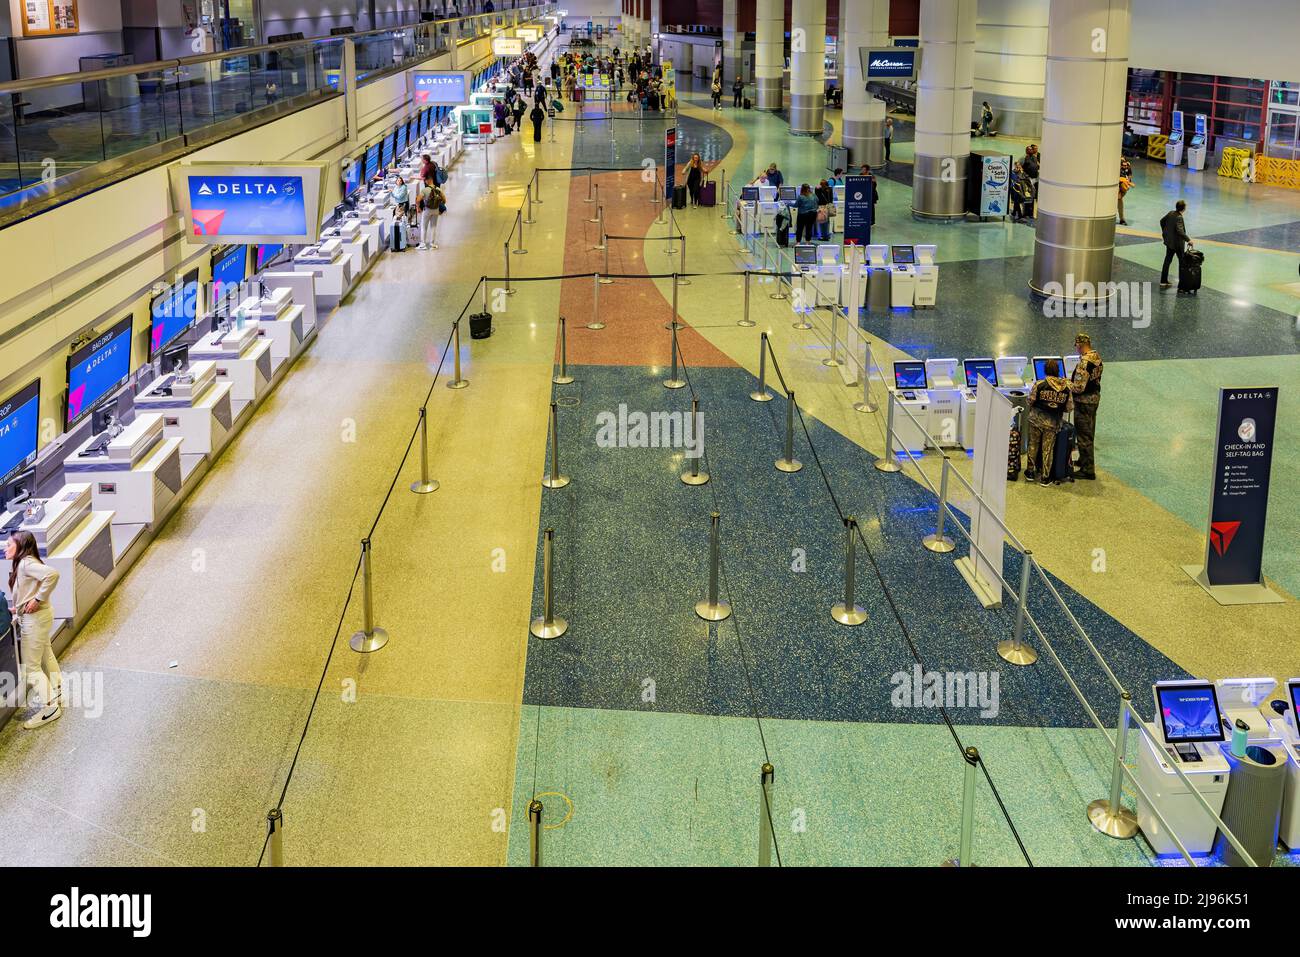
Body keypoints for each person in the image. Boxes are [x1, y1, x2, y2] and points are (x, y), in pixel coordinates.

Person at [7, 530, 61, 729]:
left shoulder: (25, 563)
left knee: (31, 669)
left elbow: (53, 574)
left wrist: (38, 599)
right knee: (46, 654)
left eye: (9, 544)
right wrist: (19, 606)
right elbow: (26, 590)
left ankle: (50, 708)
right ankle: (56, 690)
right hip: (41, 616)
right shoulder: (26, 563)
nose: (5, 547)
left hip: (35, 620)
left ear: (20, 546)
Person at [1022, 359, 1073, 485]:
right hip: (1053, 423)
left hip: (1036, 421)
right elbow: (1069, 408)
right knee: (1047, 449)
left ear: (1045, 371)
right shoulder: (1066, 388)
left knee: (1033, 445)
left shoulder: (1039, 384)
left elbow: (1030, 401)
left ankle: (1030, 472)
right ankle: (1045, 477)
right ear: (1058, 371)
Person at [1068, 332, 1103, 480]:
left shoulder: (1084, 362)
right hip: (1094, 399)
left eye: (1077, 346)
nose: (1076, 349)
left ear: (1081, 345)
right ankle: (1084, 460)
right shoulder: (1097, 358)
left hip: (1084, 403)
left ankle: (1088, 470)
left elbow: (1078, 388)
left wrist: (1065, 383)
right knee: (1089, 432)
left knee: (1083, 435)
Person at [1159, 199, 1190, 289]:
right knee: (1182, 262)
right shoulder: (1179, 217)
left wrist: (1165, 231)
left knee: (1167, 261)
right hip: (1177, 244)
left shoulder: (1171, 213)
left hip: (1169, 242)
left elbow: (1162, 221)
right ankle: (1182, 283)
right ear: (1183, 209)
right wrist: (1188, 240)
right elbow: (1180, 231)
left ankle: (1163, 281)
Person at [416, 174, 443, 250]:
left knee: (424, 227)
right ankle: (432, 244)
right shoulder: (438, 189)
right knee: (433, 227)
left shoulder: (425, 190)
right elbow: (444, 200)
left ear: (428, 181)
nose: (425, 181)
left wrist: (418, 208)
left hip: (427, 210)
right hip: (436, 210)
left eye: (425, 180)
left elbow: (418, 200)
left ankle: (423, 244)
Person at [1117, 157, 1133, 226]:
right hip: (1116, 185)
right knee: (1119, 199)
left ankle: (1122, 219)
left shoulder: (1127, 168)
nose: (1124, 166)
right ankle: (1122, 219)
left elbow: (1129, 177)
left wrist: (1128, 182)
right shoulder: (1116, 167)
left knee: (1119, 199)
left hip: (1122, 186)